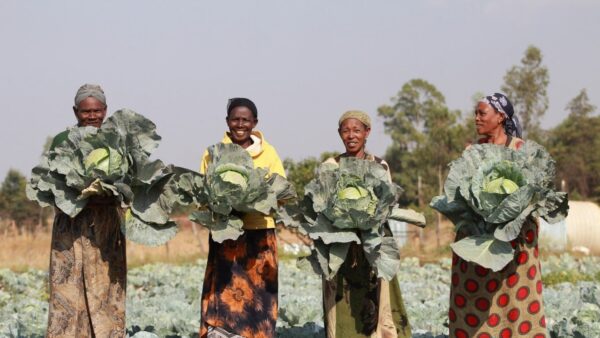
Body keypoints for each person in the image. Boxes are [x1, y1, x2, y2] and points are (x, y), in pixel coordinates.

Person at [448, 93, 546, 338]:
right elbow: (457, 191)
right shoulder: (472, 150)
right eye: (476, 113)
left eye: (482, 113)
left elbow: (536, 193)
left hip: (515, 240)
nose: (476, 118)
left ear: (501, 117)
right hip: (478, 238)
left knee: (515, 296)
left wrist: (512, 216)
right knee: (472, 297)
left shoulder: (521, 149)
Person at [199, 98, 285, 338]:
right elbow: (203, 190)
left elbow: (280, 188)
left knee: (261, 295)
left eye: (245, 120)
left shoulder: (269, 153)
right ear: (227, 122)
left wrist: (255, 202)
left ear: (254, 122)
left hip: (260, 231)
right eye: (235, 119)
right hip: (226, 232)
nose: (240, 124)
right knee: (224, 292)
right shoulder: (213, 153)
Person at [322, 110, 411, 338]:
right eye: (346, 130)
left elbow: (385, 206)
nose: (351, 135)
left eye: (357, 130)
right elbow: (322, 205)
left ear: (367, 133)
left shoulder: (380, 166)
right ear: (339, 134)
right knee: (340, 300)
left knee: (377, 300)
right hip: (340, 244)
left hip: (373, 244)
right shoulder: (331, 165)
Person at [47, 84, 126, 337]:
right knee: (68, 288)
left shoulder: (118, 142)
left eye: (97, 111)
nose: (91, 116)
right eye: (85, 111)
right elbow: (51, 183)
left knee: (106, 288)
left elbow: (130, 181)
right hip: (70, 223)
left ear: (105, 110)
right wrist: (81, 194)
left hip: (106, 226)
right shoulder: (62, 140)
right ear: (75, 111)